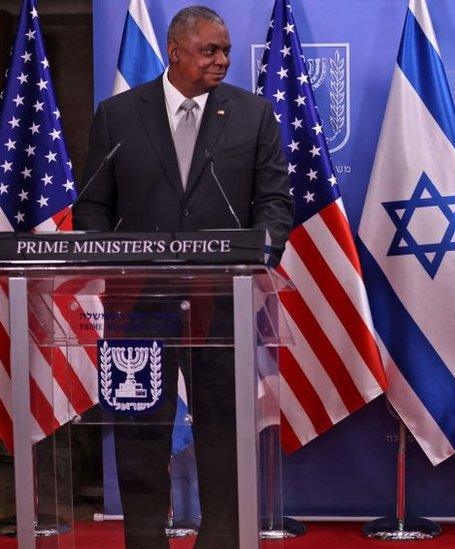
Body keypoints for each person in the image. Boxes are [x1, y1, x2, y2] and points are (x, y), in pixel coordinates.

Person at [74, 6, 292, 548]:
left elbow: (274, 204)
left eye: (225, 52)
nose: (221, 61)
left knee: (222, 427)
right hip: (137, 303)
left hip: (223, 302)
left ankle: (220, 538)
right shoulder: (119, 114)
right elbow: (94, 205)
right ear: (174, 51)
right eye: (209, 51)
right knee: (141, 426)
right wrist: (107, 265)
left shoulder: (252, 114)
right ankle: (145, 537)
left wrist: (259, 255)